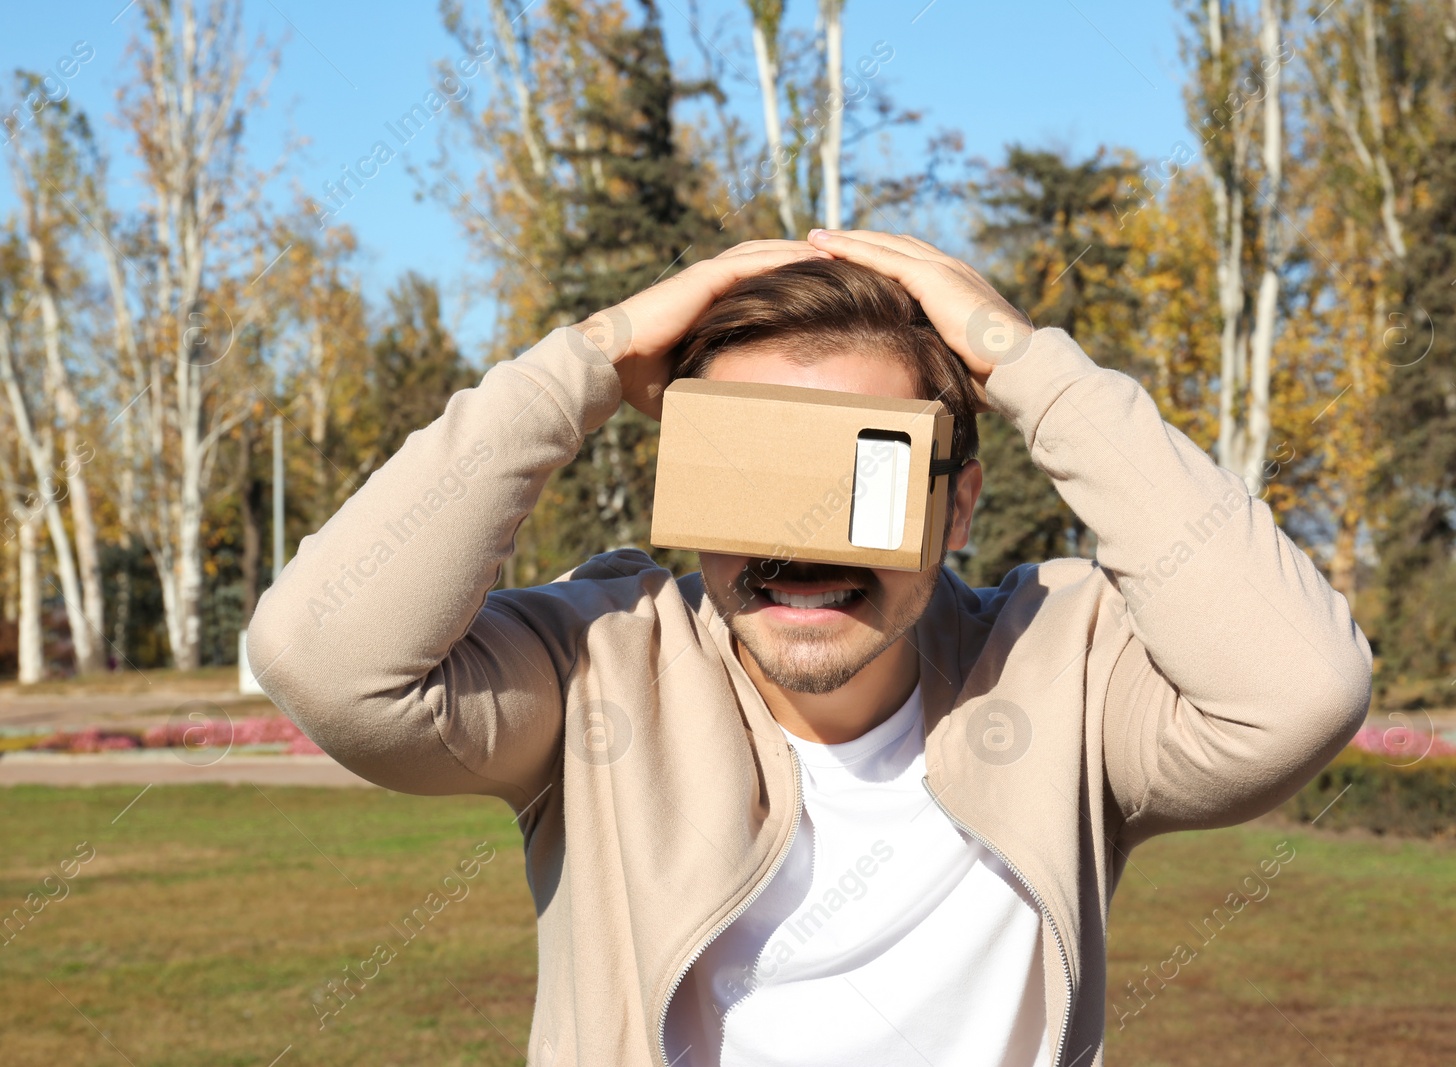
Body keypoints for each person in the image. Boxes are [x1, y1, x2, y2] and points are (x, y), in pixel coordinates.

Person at [247, 230, 1372, 1067]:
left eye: (863, 475)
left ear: (959, 503)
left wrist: (1030, 368)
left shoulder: (1059, 665)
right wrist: (584, 363)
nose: (801, 548)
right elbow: (325, 655)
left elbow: (1300, 686)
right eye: (752, 472)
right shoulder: (600, 660)